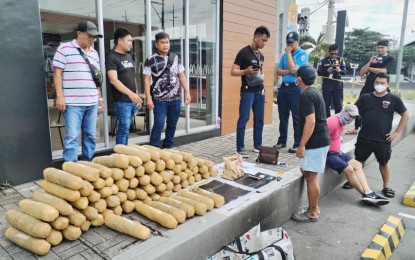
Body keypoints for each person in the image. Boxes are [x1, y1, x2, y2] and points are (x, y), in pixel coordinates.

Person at [53, 21, 104, 162]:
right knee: (72, 137)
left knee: (90, 136)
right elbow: (57, 74)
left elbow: (97, 78)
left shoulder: (94, 53)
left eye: (95, 37)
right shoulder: (64, 49)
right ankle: (71, 169)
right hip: (73, 103)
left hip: (92, 103)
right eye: (90, 36)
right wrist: (59, 96)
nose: (93, 40)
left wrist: (99, 99)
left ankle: (88, 164)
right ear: (79, 34)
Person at [354, 73, 408, 198]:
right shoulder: (365, 97)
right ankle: (354, 182)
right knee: (359, 161)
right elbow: (353, 110)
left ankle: (386, 186)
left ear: (388, 84)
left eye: (382, 83)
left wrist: (397, 132)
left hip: (383, 139)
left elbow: (405, 115)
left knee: (383, 163)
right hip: (364, 137)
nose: (379, 85)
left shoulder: (394, 99)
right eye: (377, 82)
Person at [326, 104, 389, 206]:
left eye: (354, 117)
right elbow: (318, 138)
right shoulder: (332, 122)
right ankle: (365, 195)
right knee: (350, 169)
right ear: (344, 112)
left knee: (358, 165)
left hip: (336, 152)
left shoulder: (341, 122)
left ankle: (369, 192)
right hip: (328, 154)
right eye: (350, 115)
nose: (351, 119)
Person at [291, 64, 330, 223]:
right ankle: (314, 207)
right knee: (306, 172)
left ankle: (312, 211)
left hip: (316, 142)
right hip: (319, 141)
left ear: (299, 79)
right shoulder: (314, 92)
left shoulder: (306, 96)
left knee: (311, 178)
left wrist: (301, 145)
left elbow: (311, 121)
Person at [143, 32, 191, 149]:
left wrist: (187, 92)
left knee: (172, 125)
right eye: (162, 42)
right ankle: (153, 148)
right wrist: (148, 98)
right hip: (159, 100)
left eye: (167, 42)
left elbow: (182, 76)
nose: (165, 45)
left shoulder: (175, 57)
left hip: (175, 99)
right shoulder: (150, 60)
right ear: (156, 45)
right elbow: (146, 79)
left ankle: (167, 147)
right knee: (159, 125)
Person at [230, 26, 270, 158]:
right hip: (247, 92)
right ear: (256, 37)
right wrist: (245, 72)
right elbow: (233, 71)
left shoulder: (261, 55)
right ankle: (240, 147)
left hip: (260, 90)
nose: (264, 43)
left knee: (259, 120)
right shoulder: (244, 52)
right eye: (263, 40)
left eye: (266, 41)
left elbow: (259, 72)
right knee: (244, 119)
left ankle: (257, 145)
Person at [347, 39, 396, 135]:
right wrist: (369, 62)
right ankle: (357, 128)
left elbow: (383, 71)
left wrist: (369, 69)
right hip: (368, 87)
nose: (380, 49)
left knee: (384, 109)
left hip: (382, 87)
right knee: (358, 107)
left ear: (387, 48)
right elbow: (361, 72)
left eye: (382, 47)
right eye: (378, 47)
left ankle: (383, 129)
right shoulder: (373, 58)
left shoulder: (390, 59)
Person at [106, 28, 143, 145]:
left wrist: (136, 94)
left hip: (132, 99)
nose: (131, 44)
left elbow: (133, 77)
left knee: (126, 128)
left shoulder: (128, 56)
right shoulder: (112, 57)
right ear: (119, 41)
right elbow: (113, 80)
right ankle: (120, 154)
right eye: (129, 41)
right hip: (122, 100)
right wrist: (130, 94)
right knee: (124, 127)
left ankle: (125, 151)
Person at [275, 31, 308, 153]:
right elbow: (278, 71)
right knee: (283, 117)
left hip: (295, 88)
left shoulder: (302, 54)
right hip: (284, 87)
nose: (289, 45)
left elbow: (295, 71)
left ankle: (297, 142)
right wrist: (289, 69)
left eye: (292, 43)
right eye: (288, 43)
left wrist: (289, 55)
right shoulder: (284, 55)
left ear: (297, 42)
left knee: (296, 117)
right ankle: (282, 141)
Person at [317, 44, 346, 117]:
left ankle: (338, 122)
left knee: (338, 105)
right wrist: (327, 71)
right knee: (326, 105)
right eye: (332, 53)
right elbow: (319, 72)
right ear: (328, 52)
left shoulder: (340, 60)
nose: (334, 55)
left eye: (335, 53)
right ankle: (327, 122)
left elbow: (345, 72)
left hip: (337, 84)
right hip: (327, 85)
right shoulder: (323, 61)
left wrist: (339, 70)